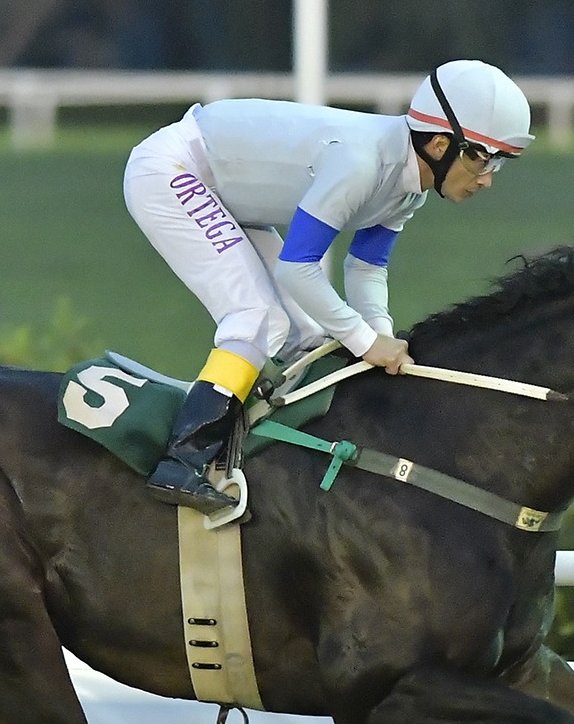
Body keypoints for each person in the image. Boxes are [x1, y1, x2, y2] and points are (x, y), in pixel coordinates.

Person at [123, 59, 533, 514]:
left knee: (309, 335)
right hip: (174, 170)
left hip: (229, 192)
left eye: (498, 162)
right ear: (439, 144)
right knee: (257, 319)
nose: (487, 178)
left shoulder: (409, 186)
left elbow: (366, 267)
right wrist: (365, 342)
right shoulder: (362, 163)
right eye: (481, 157)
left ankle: (272, 454)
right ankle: (182, 461)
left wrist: (380, 338)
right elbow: (296, 269)